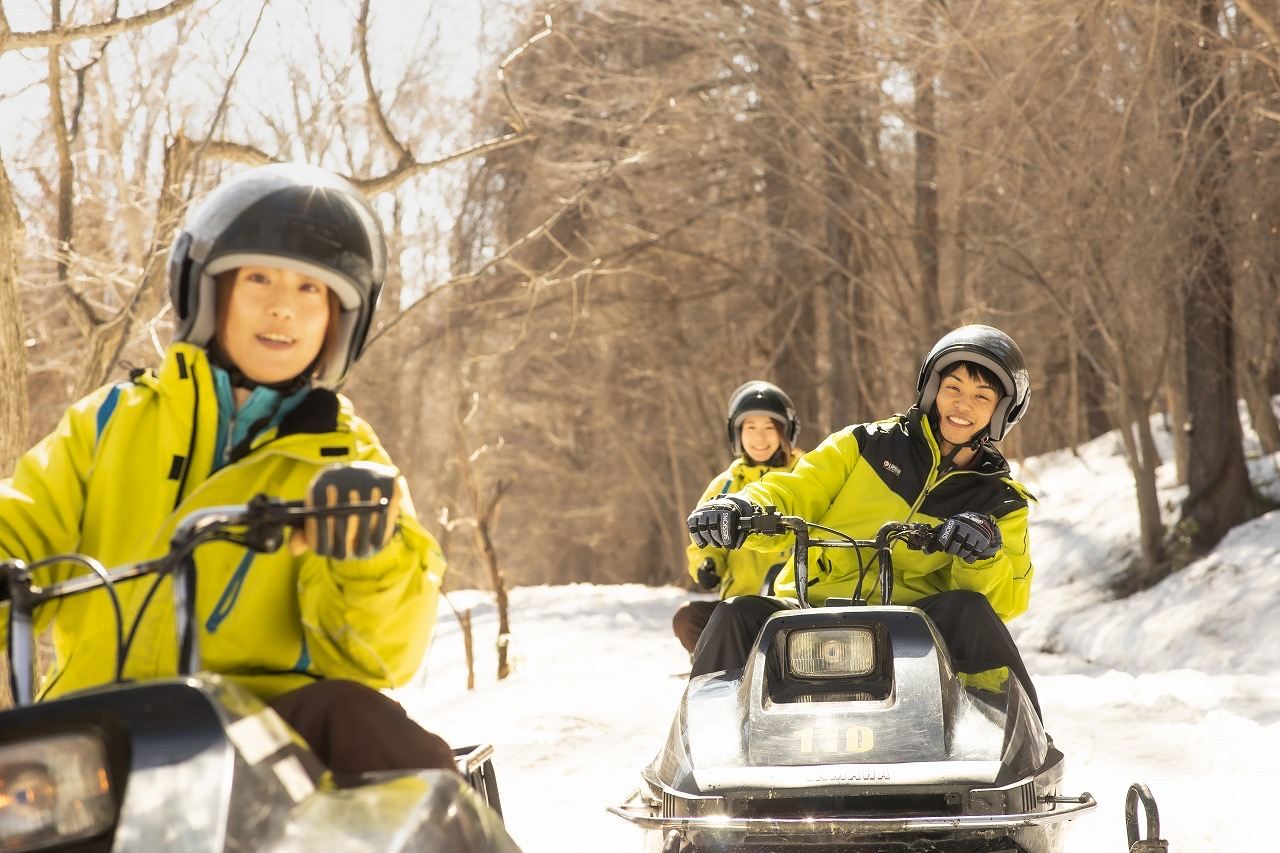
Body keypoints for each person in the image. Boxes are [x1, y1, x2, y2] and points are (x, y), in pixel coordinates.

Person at [0, 164, 455, 777]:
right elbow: (21, 525)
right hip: (101, 734)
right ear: (210, 293)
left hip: (264, 743)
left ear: (339, 322)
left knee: (366, 723)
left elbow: (383, 657)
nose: (281, 308)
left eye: (309, 290)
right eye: (259, 279)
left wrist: (366, 556)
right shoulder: (109, 423)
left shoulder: (348, 463)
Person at [686, 325, 1042, 716]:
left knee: (970, 610)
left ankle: (1004, 737)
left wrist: (982, 553)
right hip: (812, 604)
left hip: (918, 623)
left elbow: (1007, 601)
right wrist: (741, 507)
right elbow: (792, 489)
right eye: (953, 388)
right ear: (931, 389)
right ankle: (706, 741)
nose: (962, 405)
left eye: (982, 396)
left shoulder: (1000, 500)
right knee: (735, 613)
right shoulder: (864, 445)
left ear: (1002, 411)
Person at [673, 381, 802, 654]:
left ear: (786, 432)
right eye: (750, 428)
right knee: (687, 619)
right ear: (736, 433)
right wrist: (707, 565)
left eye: (769, 428)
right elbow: (701, 541)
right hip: (738, 608)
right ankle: (722, 673)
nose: (759, 438)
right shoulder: (724, 487)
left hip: (795, 605)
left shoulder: (806, 476)